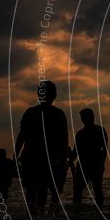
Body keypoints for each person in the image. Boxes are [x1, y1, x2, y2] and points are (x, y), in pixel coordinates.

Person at [15, 80, 69, 212]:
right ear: (55, 96)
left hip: (35, 157)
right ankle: (41, 219)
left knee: (33, 191)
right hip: (46, 158)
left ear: (39, 95)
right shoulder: (58, 114)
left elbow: (22, 135)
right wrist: (62, 158)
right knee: (43, 190)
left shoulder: (30, 112)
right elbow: (64, 140)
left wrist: (15, 154)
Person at [71, 108, 109, 205]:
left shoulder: (100, 130)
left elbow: (104, 149)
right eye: (82, 117)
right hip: (83, 166)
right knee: (78, 190)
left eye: (85, 117)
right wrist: (68, 159)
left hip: (96, 165)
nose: (84, 119)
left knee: (97, 189)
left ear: (92, 117)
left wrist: (101, 163)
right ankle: (77, 211)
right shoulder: (80, 134)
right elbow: (75, 152)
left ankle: (99, 210)